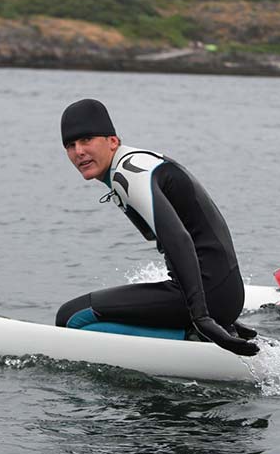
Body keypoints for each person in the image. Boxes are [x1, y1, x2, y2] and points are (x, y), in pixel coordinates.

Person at [54, 99, 259, 356]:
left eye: (86, 140)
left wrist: (202, 317)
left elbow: (179, 240)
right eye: (70, 146)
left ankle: (191, 337)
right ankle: (194, 330)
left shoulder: (128, 174)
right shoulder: (136, 163)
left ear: (112, 141)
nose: (78, 152)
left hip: (208, 296)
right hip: (220, 291)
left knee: (71, 317)